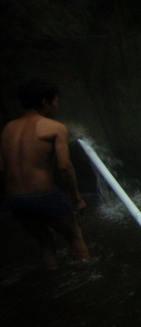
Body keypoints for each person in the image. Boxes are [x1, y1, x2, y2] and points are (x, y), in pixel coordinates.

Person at [0, 80, 90, 269]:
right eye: (55, 101)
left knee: (46, 242)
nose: (57, 106)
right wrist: (76, 199)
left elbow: (2, 168)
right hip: (44, 196)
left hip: (16, 199)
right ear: (45, 103)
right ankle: (88, 279)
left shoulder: (8, 129)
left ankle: (53, 281)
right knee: (75, 236)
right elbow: (65, 167)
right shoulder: (54, 127)